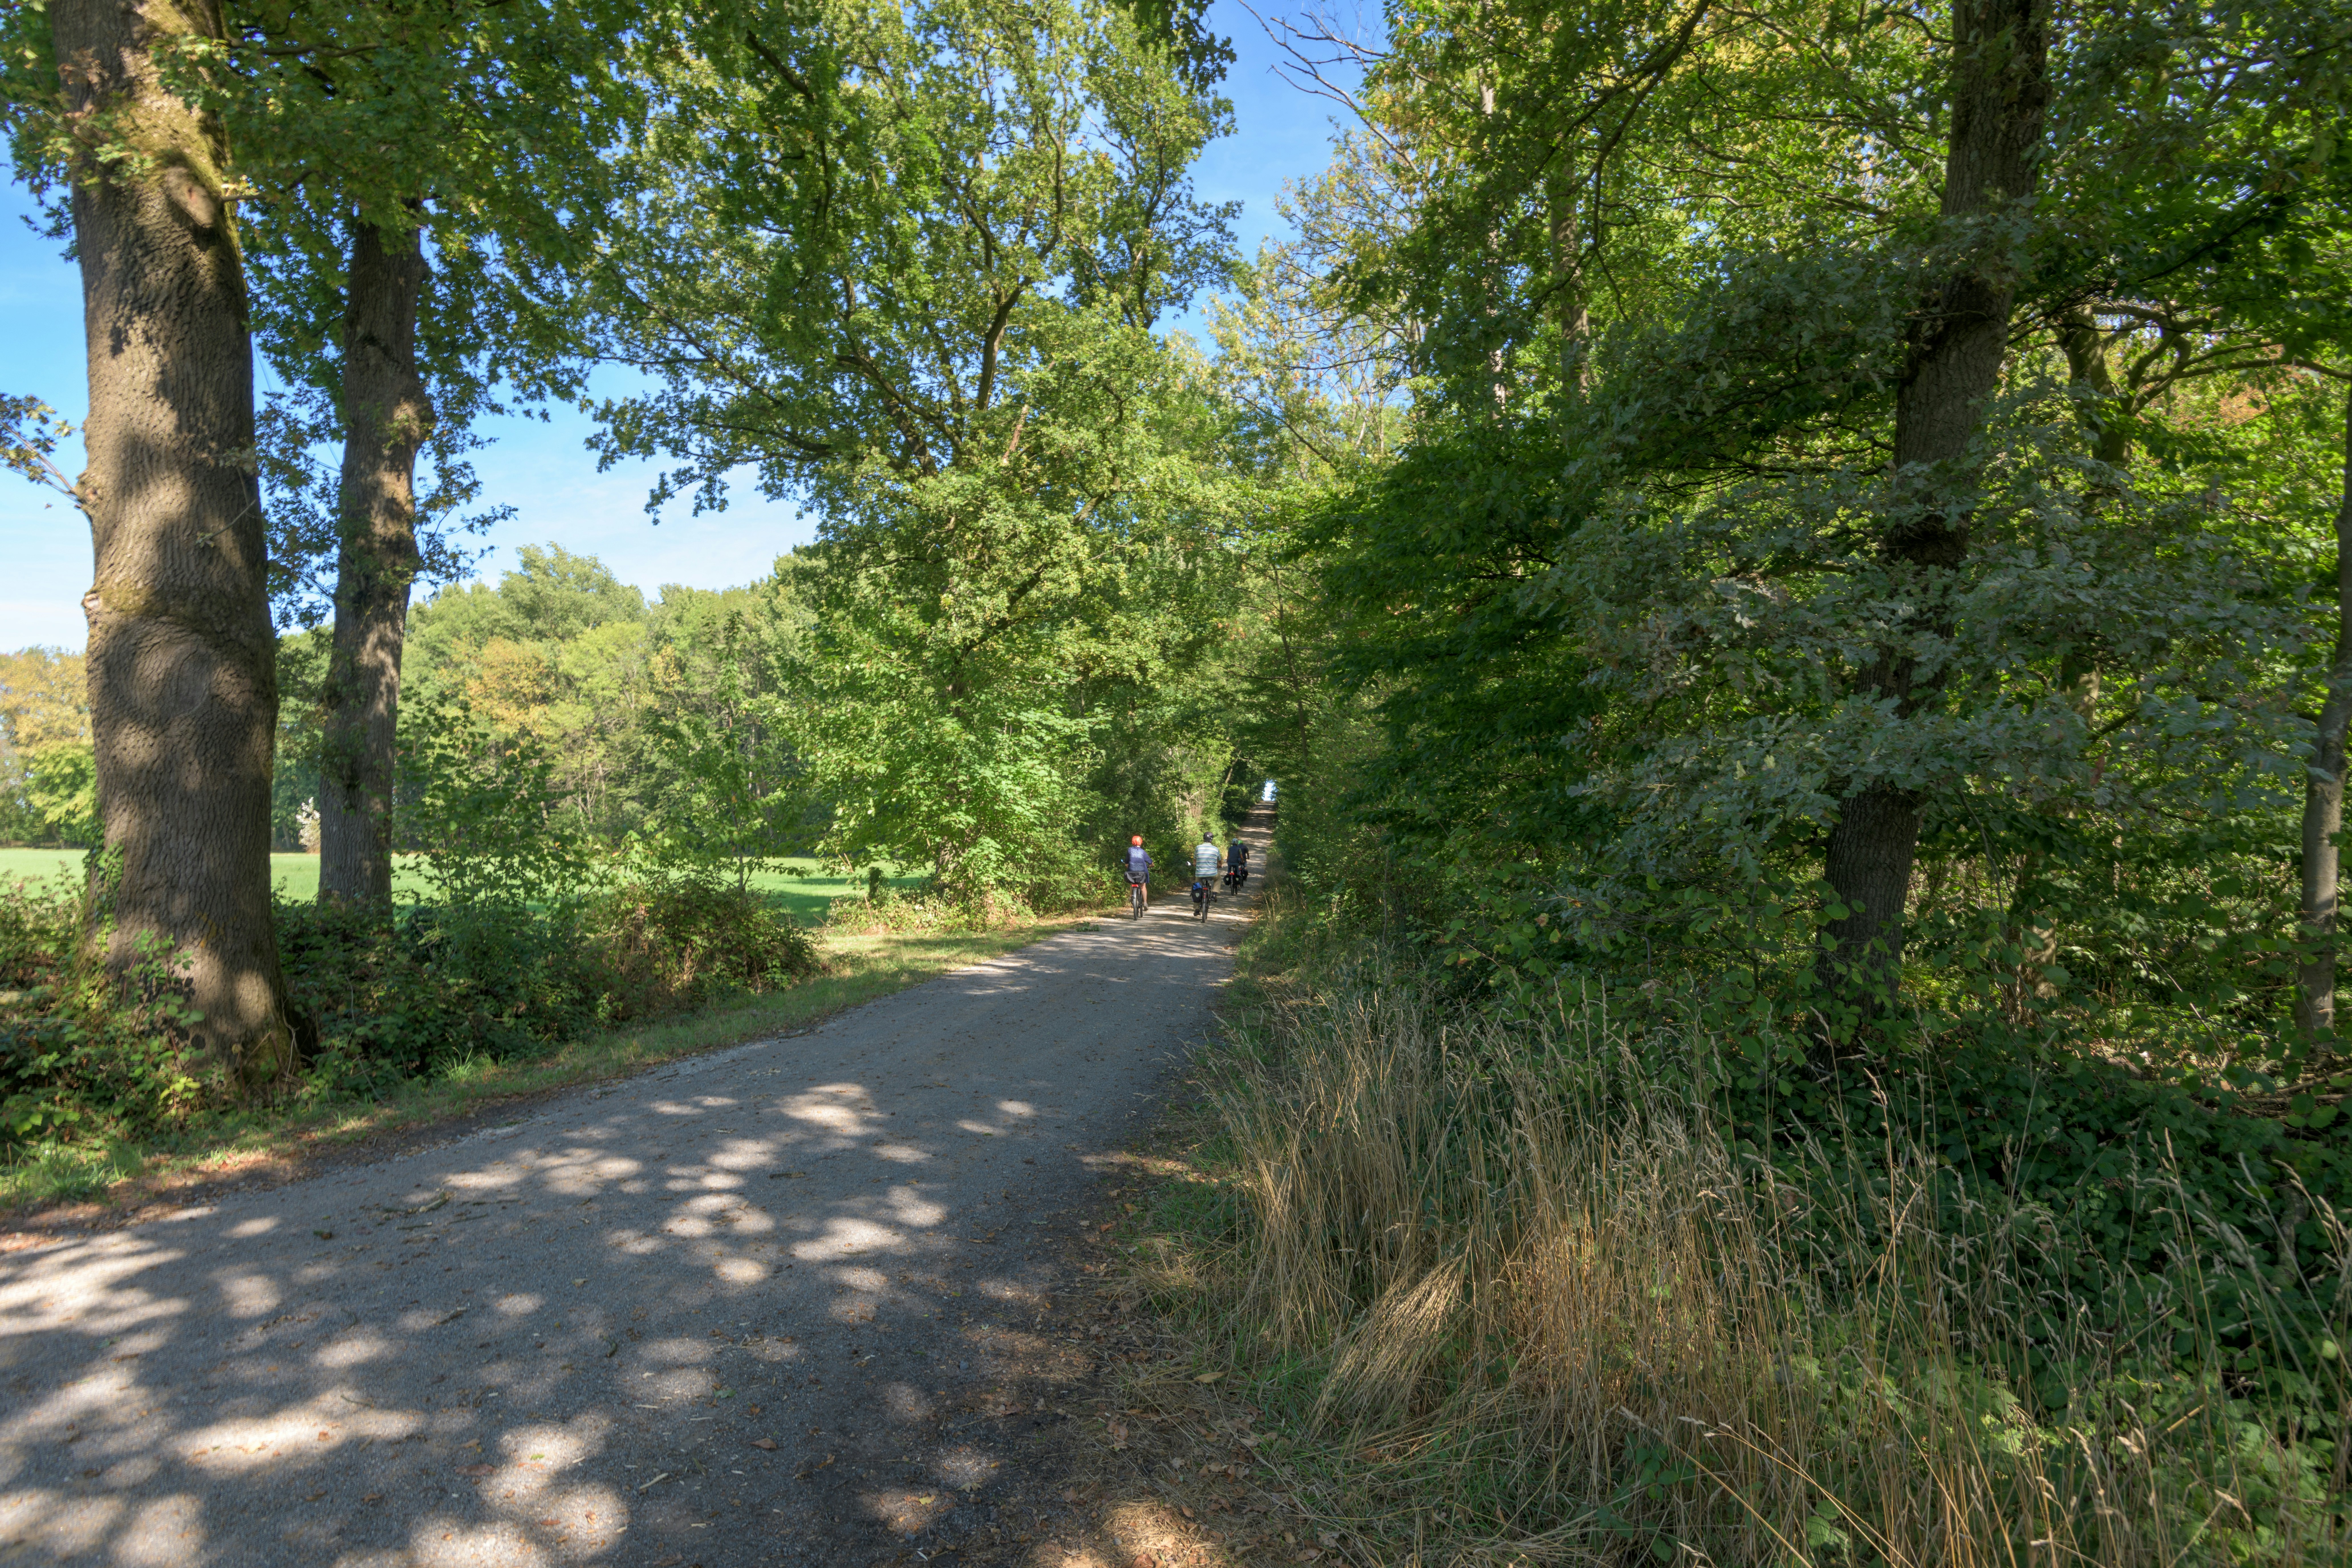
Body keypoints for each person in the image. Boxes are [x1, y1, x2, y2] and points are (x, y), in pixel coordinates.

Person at [1192, 833, 1222, 910]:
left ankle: (1197, 909)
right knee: (1218, 878)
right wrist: (1219, 865)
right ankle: (1214, 894)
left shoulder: (1198, 848)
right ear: (1212, 840)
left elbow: (1195, 860)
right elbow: (1220, 863)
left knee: (1198, 888)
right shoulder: (1216, 849)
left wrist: (1195, 864)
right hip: (1213, 873)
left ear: (1204, 839)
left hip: (1200, 874)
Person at [1124, 835, 1153, 910]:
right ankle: (1145, 903)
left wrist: (1127, 865)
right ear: (1141, 842)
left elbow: (1127, 862)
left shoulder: (1130, 850)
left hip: (1132, 873)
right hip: (1142, 873)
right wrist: (1151, 866)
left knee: (1132, 884)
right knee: (1143, 886)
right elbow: (1151, 863)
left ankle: (1132, 897)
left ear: (1133, 842)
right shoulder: (1143, 852)